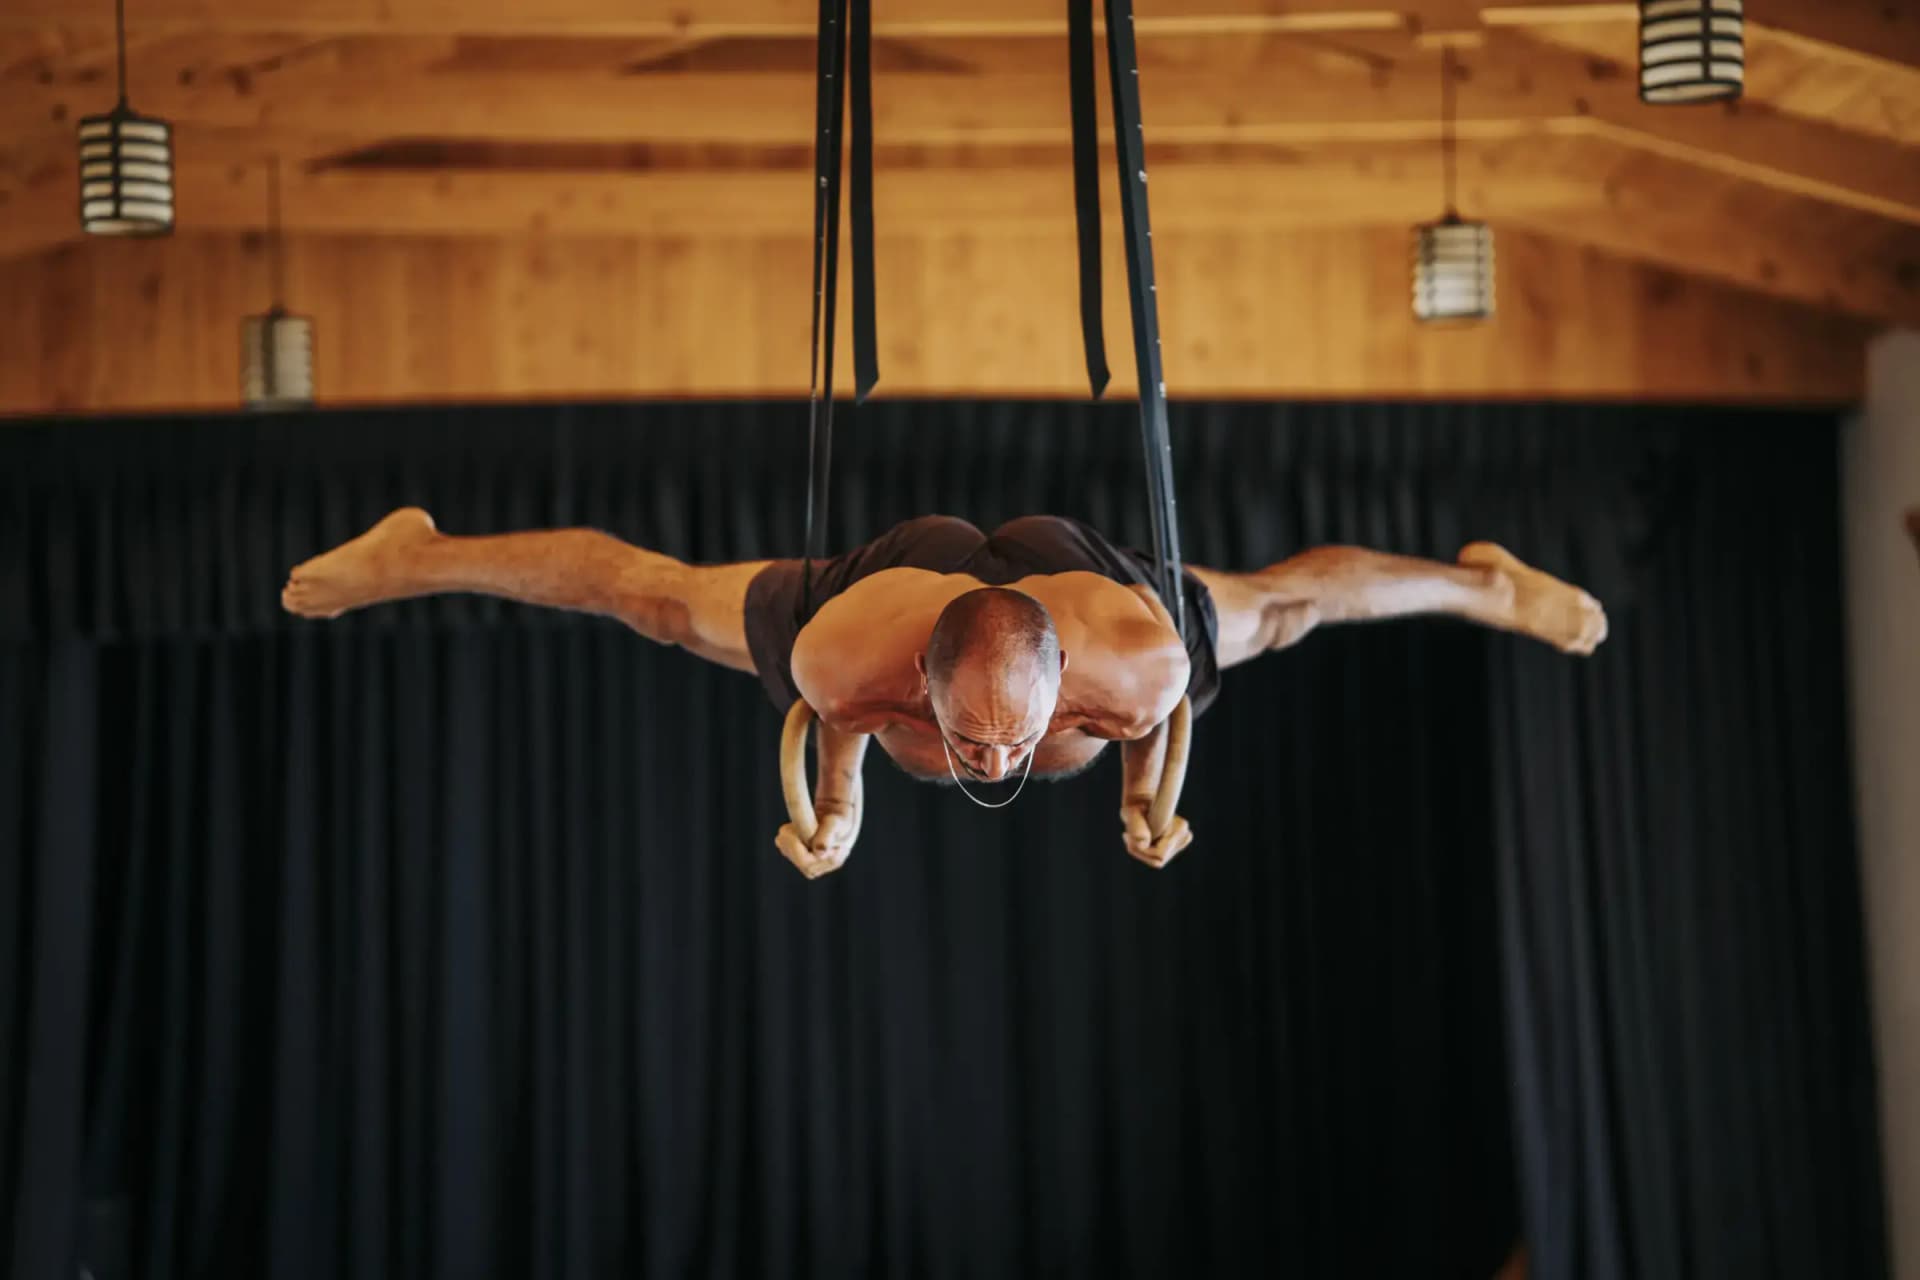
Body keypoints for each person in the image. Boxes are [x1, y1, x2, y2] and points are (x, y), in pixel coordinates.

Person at [283, 509, 1605, 878]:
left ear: (1055, 700)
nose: (990, 767)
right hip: (898, 579)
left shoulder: (1136, 661)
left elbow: (1168, 723)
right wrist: (841, 812)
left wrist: (1149, 800)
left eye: (1008, 743)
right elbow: (835, 727)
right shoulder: (844, 656)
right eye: (974, 742)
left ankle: (1484, 584)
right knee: (646, 595)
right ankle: (418, 555)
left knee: (1287, 607)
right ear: (927, 687)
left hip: (1082, 583)